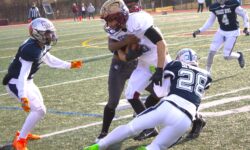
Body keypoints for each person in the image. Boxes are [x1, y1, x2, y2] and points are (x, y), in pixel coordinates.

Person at [83, 48, 212, 150]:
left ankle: (100, 145)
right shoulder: (206, 76)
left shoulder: (176, 65)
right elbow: (197, 99)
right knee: (155, 147)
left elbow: (160, 92)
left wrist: (155, 79)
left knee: (130, 128)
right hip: (186, 118)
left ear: (180, 58)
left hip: (167, 107)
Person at [2, 18, 82, 150]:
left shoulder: (41, 44)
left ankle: (23, 134)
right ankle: (20, 141)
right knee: (39, 110)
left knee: (39, 109)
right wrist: (23, 96)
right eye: (47, 33)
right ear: (37, 33)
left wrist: (69, 65)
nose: (50, 35)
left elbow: (48, 59)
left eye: (50, 32)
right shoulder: (31, 49)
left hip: (28, 81)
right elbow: (23, 74)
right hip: (16, 82)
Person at [95, 0, 160, 143]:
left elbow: (155, 40)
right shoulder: (116, 23)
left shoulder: (137, 21)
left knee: (158, 92)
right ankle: (104, 132)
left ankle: (145, 121)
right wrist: (127, 42)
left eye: (132, 5)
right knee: (113, 101)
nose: (132, 8)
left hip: (137, 65)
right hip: (119, 66)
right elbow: (112, 46)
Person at [192, 0, 249, 73]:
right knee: (211, 52)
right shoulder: (215, 7)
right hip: (221, 31)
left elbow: (244, 14)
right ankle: (207, 73)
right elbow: (210, 21)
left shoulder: (232, 4)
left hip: (233, 32)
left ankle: (238, 55)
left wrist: (246, 27)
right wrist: (200, 30)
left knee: (226, 56)